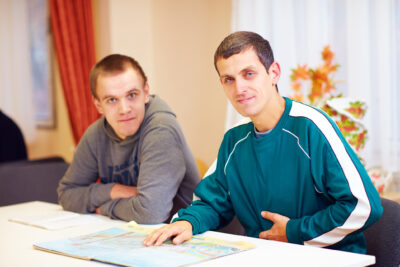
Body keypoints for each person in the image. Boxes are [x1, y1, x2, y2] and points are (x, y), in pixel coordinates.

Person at [144, 31, 383, 253]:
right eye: (229, 79)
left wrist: (294, 231)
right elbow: (211, 201)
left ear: (274, 73)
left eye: (249, 74)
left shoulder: (312, 127)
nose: (240, 88)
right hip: (265, 258)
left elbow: (364, 207)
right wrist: (188, 222)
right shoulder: (234, 140)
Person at [57, 54, 201, 223]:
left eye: (132, 95)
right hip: (133, 235)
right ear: (98, 105)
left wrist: (104, 208)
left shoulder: (161, 128)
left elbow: (151, 213)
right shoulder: (95, 134)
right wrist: (114, 190)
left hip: (184, 238)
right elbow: (67, 195)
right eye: (111, 100)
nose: (124, 109)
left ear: (146, 93)